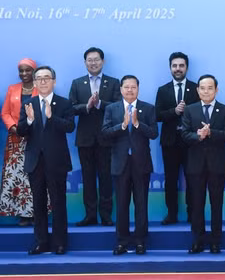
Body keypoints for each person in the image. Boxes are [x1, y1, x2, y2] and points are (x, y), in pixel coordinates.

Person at [18, 66, 75, 255]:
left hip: (57, 161)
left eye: (46, 78)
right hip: (35, 161)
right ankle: (41, 242)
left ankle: (60, 243)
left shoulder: (64, 103)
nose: (42, 81)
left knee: (59, 202)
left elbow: (69, 127)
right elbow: (20, 131)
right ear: (34, 83)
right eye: (39, 78)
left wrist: (52, 117)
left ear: (54, 81)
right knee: (38, 203)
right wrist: (30, 121)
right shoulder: (28, 103)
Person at [102, 75, 158, 255]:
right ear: (121, 89)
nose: (130, 90)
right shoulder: (112, 109)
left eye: (133, 87)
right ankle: (122, 241)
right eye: (126, 87)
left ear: (138, 89)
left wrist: (137, 124)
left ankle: (141, 241)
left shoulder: (148, 108)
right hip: (120, 163)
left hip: (141, 163)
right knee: (122, 204)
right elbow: (105, 133)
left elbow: (154, 134)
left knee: (141, 204)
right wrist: (124, 125)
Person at [182, 75, 225, 254]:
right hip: (195, 165)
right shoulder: (190, 110)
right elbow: (184, 135)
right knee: (196, 205)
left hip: (217, 165)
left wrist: (211, 133)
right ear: (197, 90)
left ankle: (215, 241)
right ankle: (198, 240)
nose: (206, 91)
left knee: (216, 204)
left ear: (216, 90)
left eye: (210, 88)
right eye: (202, 88)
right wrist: (198, 136)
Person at [69, 47, 120, 227]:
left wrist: (99, 103)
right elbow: (71, 108)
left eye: (96, 59)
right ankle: (90, 215)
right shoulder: (77, 83)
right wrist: (87, 106)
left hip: (106, 138)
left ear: (103, 61)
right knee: (88, 178)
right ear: (85, 63)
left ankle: (106, 216)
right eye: (89, 60)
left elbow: (118, 107)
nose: (93, 63)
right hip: (85, 139)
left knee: (106, 178)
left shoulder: (113, 82)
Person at [155, 52, 200, 225]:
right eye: (175, 66)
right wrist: (174, 111)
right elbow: (157, 115)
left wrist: (187, 111)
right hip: (169, 142)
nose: (178, 69)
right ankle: (171, 214)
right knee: (171, 179)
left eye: (181, 65)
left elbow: (200, 113)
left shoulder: (196, 88)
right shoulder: (163, 90)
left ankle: (192, 213)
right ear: (170, 68)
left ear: (186, 67)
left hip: (191, 142)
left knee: (192, 179)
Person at [0, 58, 38, 226]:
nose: (24, 74)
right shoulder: (12, 89)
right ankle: (22, 213)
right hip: (15, 139)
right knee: (17, 176)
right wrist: (14, 128)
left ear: (34, 71)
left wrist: (31, 129)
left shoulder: (41, 88)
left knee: (35, 175)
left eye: (27, 70)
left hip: (36, 137)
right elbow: (5, 113)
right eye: (21, 71)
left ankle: (36, 212)